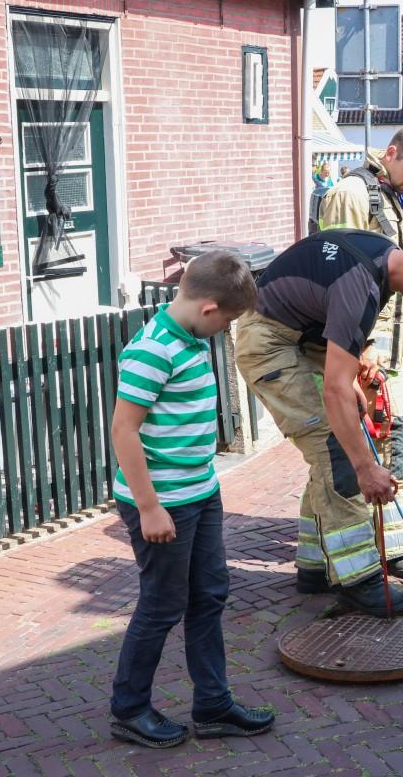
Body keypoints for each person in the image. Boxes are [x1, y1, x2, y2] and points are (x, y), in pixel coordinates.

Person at [235, 232, 403, 615]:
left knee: (339, 435)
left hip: (297, 337)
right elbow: (333, 391)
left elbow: (336, 361)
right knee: (336, 450)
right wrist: (366, 467)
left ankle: (314, 566)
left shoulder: (381, 259)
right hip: (270, 344)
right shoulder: (362, 285)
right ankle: (359, 580)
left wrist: (349, 388)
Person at [109, 251, 273, 748]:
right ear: (208, 309)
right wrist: (149, 506)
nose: (227, 330)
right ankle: (129, 709)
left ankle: (214, 705)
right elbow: (124, 431)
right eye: (227, 320)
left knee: (209, 596)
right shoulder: (152, 350)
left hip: (201, 492)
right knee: (161, 605)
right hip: (164, 501)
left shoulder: (191, 339)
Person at [314, 123, 403, 586]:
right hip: (371, 349)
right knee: (395, 444)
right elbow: (338, 274)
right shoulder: (354, 194)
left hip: (401, 346)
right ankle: (399, 547)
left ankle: (316, 558)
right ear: (391, 152)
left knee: (356, 452)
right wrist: (360, 345)